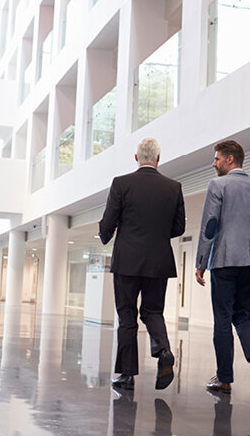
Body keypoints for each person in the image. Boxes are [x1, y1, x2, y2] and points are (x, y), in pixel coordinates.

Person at [99, 138, 185, 391]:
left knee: (127, 315)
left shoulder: (121, 184)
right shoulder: (173, 187)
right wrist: (156, 237)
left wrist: (106, 235)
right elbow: (178, 227)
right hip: (159, 262)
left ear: (136, 158)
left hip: (126, 260)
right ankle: (164, 350)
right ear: (159, 159)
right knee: (153, 311)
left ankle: (127, 375)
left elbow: (108, 221)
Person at [195, 140, 250, 395]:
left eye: (217, 158)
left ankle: (224, 379)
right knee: (242, 315)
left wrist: (201, 263)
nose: (213, 163)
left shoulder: (218, 185)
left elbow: (210, 226)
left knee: (223, 318)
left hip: (225, 260)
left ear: (230, 160)